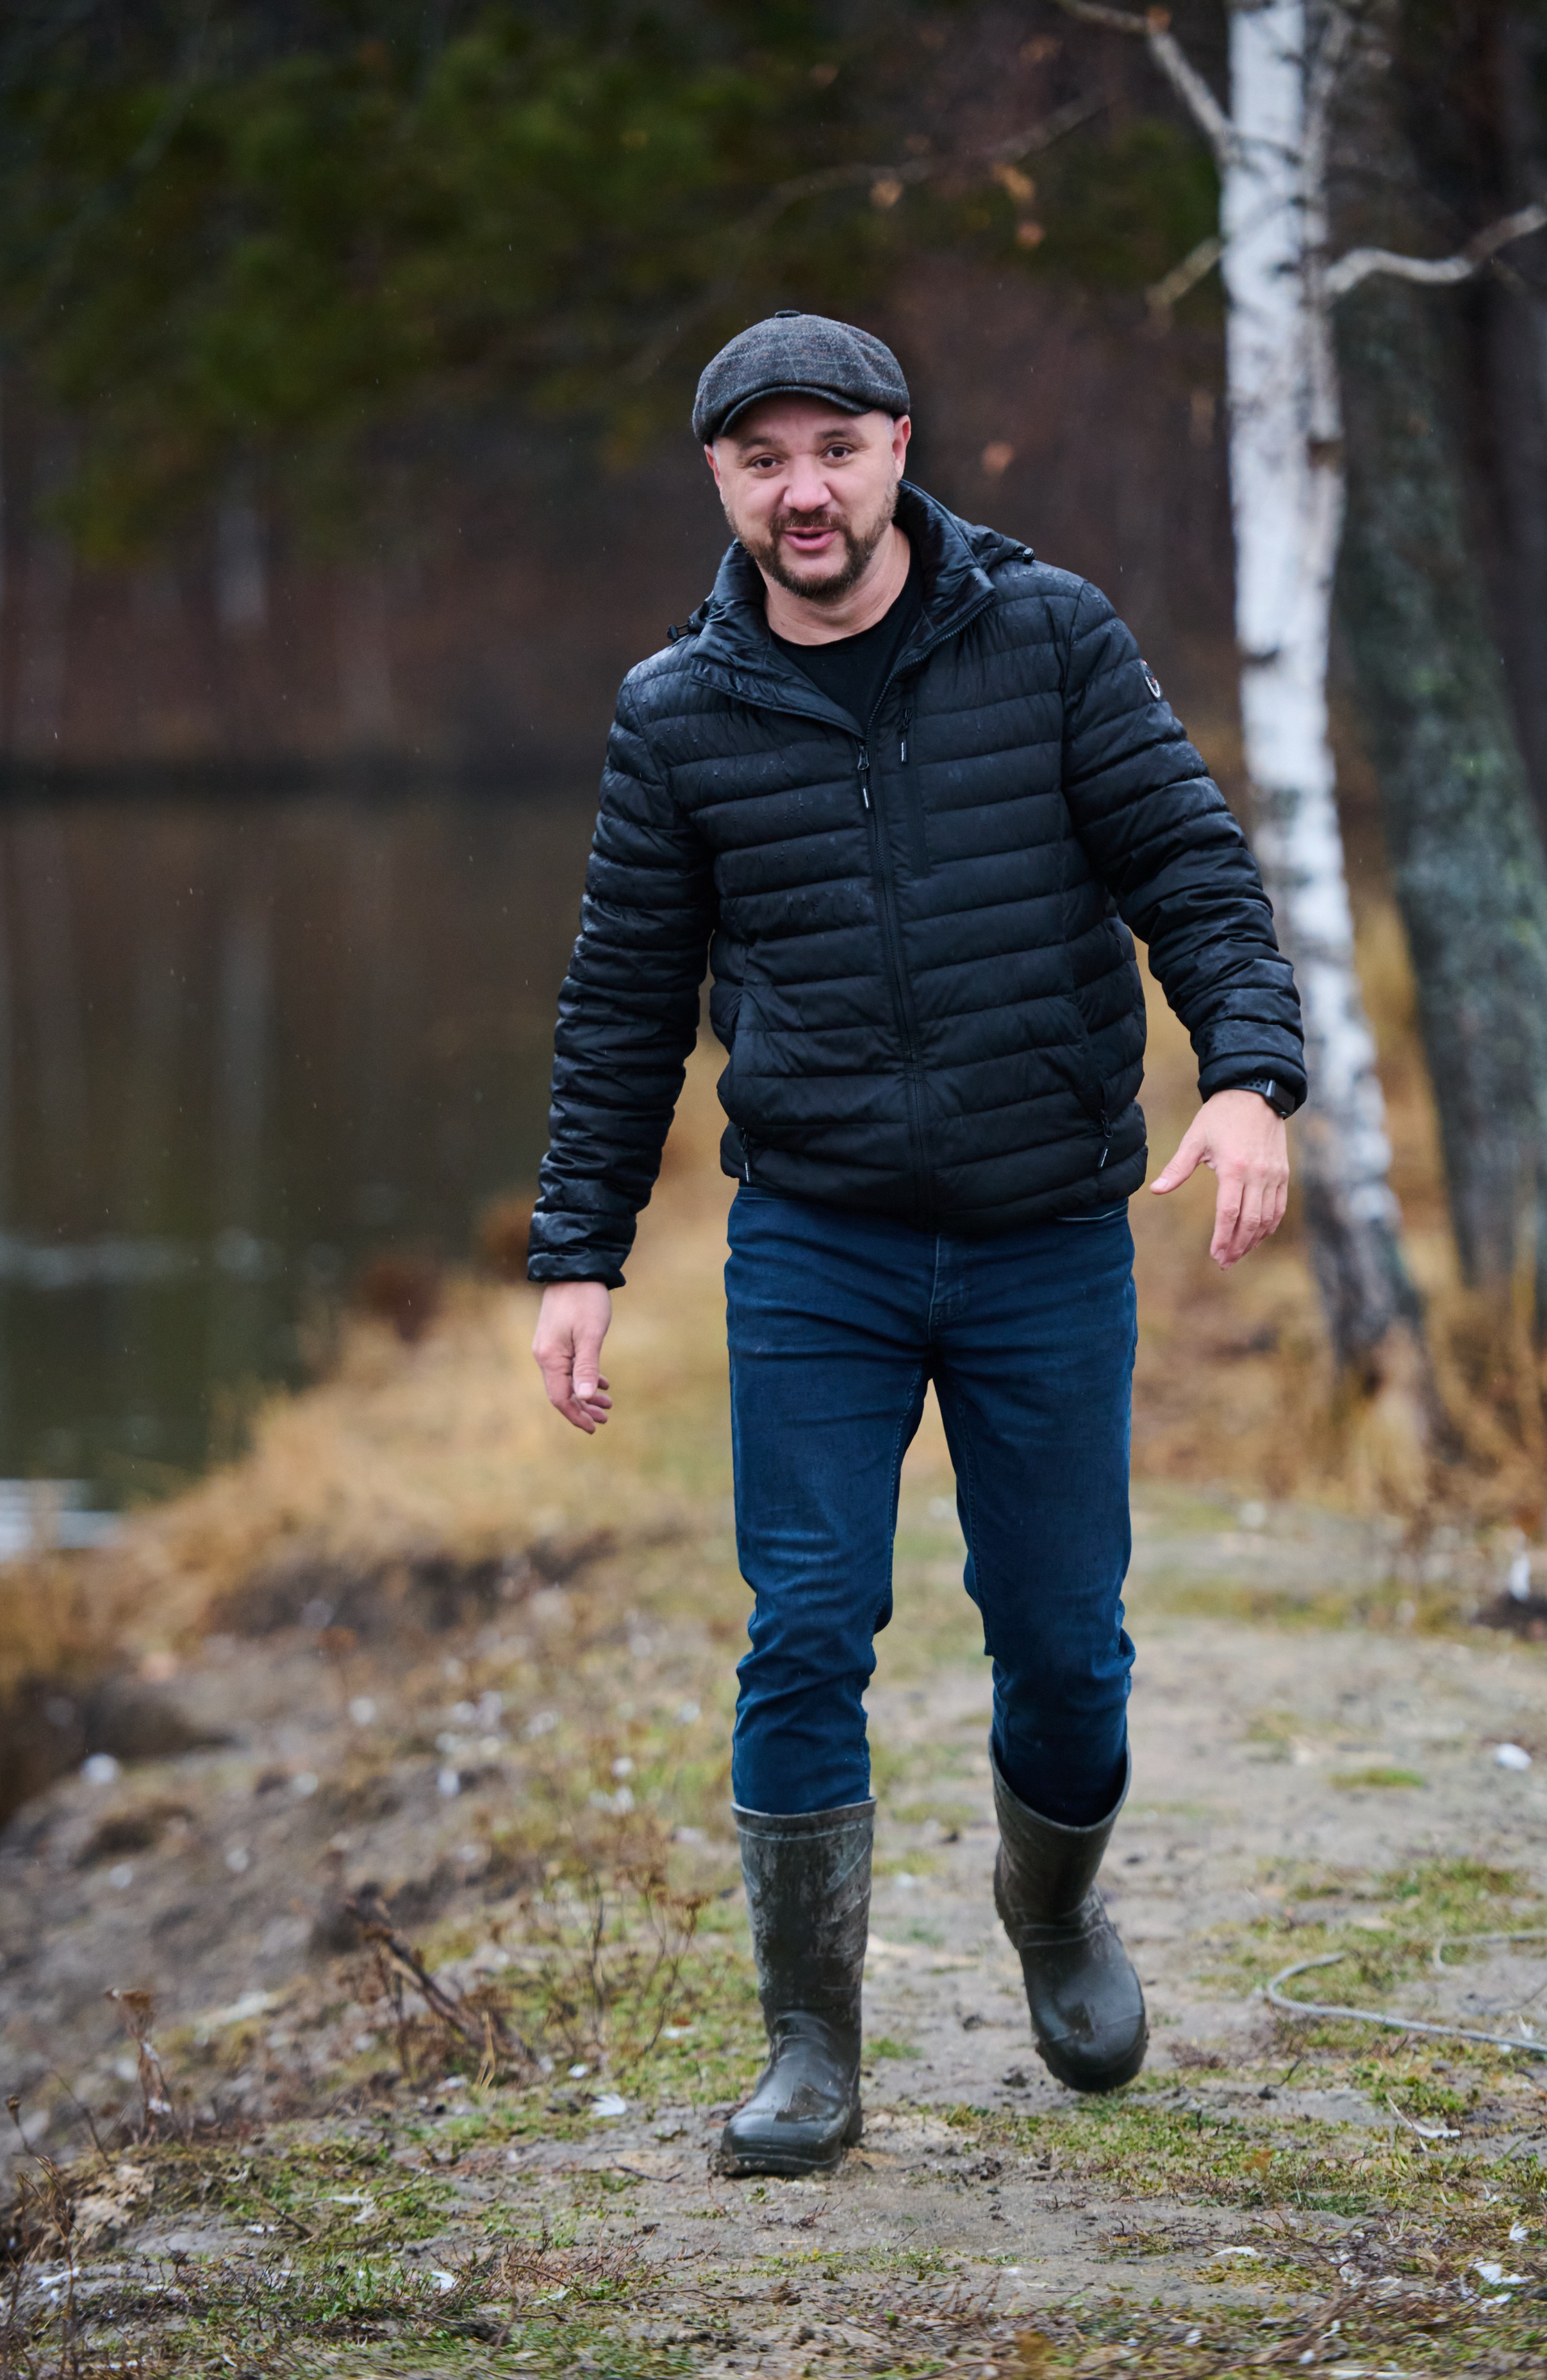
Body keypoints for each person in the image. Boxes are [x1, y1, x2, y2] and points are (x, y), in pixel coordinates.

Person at [528, 311, 1303, 2177]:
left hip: (1047, 1232)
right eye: (762, 459)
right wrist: (578, 1252)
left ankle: (1055, 1911)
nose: (805, 490)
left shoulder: (1049, 639)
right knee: (806, 1631)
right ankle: (813, 2045)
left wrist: (1249, 1076)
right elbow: (624, 1002)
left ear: (897, 449)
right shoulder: (678, 713)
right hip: (820, 1249)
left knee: (1066, 1655)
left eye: (836, 450)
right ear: (721, 480)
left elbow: (1190, 865)